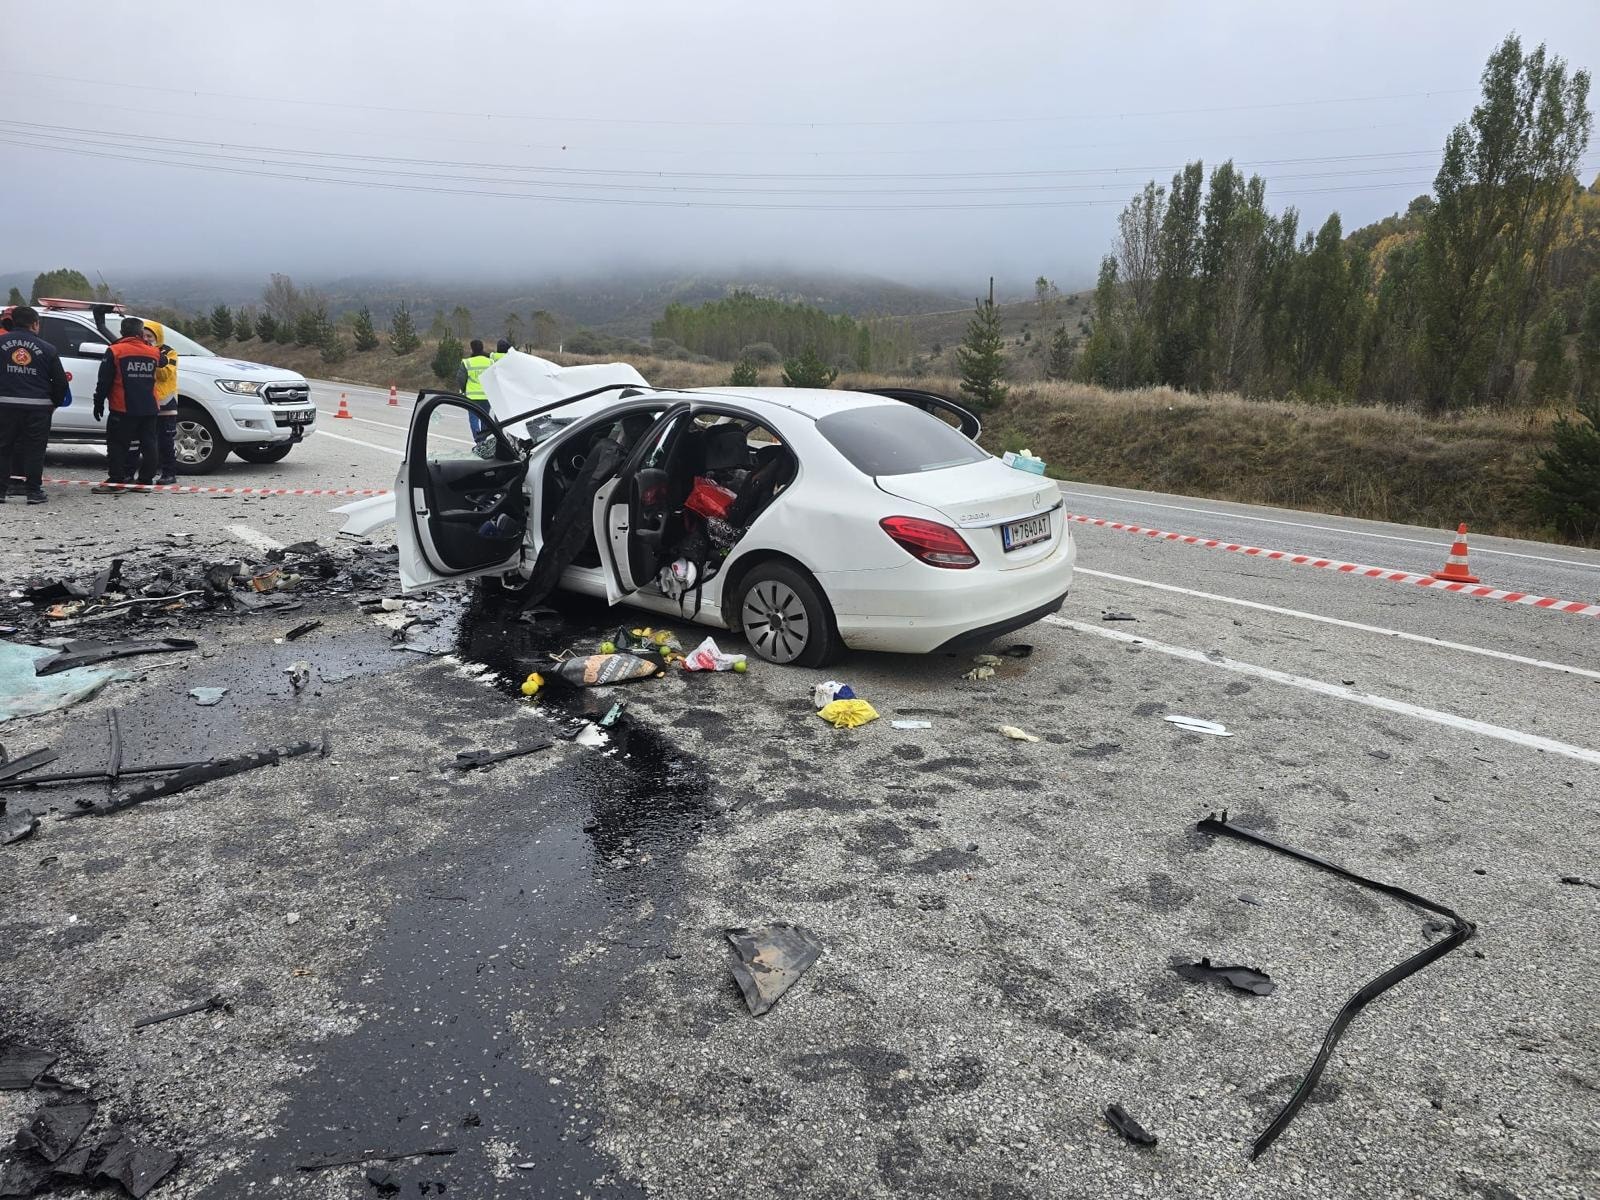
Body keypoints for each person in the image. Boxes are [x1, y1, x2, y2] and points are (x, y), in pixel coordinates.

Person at [0, 306, 70, 504]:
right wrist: (53, 404)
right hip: (37, 408)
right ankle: (33, 492)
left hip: (4, 406)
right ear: (35, 324)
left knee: (3, 449)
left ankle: (1, 491)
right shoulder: (47, 349)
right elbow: (60, 383)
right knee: (35, 450)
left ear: (13, 322)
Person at [92, 317, 161, 494]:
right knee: (149, 444)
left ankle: (117, 481)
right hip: (149, 407)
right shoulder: (153, 352)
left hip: (123, 408)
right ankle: (145, 481)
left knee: (117, 445)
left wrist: (98, 402)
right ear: (140, 333)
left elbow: (104, 381)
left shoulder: (115, 351)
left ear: (122, 332)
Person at [139, 321, 179, 484]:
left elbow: (164, 374)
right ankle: (147, 472)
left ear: (158, 337)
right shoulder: (139, 350)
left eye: (150, 336)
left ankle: (169, 473)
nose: (147, 339)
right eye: (144, 336)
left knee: (166, 441)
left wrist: (152, 355)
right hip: (146, 403)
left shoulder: (170, 353)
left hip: (166, 404)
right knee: (147, 441)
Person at [455, 338, 494, 438]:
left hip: (472, 397)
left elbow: (460, 378)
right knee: (485, 418)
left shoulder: (467, 362)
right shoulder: (490, 362)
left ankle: (478, 440)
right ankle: (484, 439)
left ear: (472, 349)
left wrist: (463, 390)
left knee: (474, 419)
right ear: (482, 348)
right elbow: (494, 377)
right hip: (486, 396)